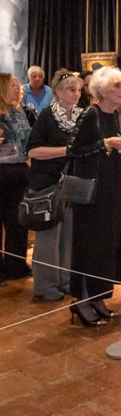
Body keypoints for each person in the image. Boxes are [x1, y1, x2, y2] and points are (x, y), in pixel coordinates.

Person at [67, 66, 121, 326]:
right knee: (90, 248)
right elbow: (73, 150)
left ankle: (99, 298)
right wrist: (105, 144)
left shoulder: (113, 114)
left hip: (112, 193)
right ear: (102, 90)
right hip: (93, 198)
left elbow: (110, 149)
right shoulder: (89, 114)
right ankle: (82, 301)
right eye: (117, 86)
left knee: (107, 247)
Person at [26, 70, 84, 300]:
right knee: (49, 236)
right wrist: (65, 151)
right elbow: (32, 150)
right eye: (72, 90)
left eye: (79, 89)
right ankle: (45, 286)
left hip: (70, 182)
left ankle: (65, 280)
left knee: (68, 234)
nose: (77, 93)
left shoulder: (80, 116)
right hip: (48, 183)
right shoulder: (48, 116)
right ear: (58, 92)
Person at [0, 72, 32, 282]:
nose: (19, 88)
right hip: (1, 169)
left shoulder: (20, 111)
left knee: (18, 221)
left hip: (19, 170)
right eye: (13, 85)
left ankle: (16, 264)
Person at [0, 0, 23, 74]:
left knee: (7, 79)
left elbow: (24, 29)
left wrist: (17, 45)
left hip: (7, 49)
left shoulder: (13, 8)